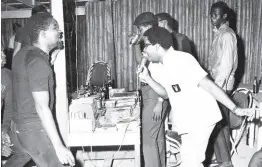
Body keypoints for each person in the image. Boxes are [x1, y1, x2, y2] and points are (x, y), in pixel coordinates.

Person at [138, 26, 255, 167]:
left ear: (157, 46)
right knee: (189, 160)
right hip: (190, 120)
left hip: (201, 118)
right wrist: (148, 79)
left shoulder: (183, 60)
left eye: (146, 45)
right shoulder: (164, 65)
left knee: (192, 163)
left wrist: (235, 109)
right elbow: (166, 94)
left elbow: (210, 86)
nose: (143, 50)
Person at [3, 13, 75, 167]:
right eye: (55, 28)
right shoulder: (38, 62)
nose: (59, 32)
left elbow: (28, 81)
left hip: (18, 126)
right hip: (33, 127)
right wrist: (59, 146)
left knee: (20, 158)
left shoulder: (22, 54)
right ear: (43, 34)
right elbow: (42, 107)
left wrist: (51, 58)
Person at [130, 12, 169, 167]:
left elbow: (168, 73)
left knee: (148, 140)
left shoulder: (160, 44)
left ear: (149, 26)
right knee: (157, 137)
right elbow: (141, 62)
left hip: (157, 95)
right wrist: (134, 45)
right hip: (151, 93)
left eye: (140, 28)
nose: (139, 32)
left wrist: (160, 101)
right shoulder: (150, 43)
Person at [208, 2, 238, 166]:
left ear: (225, 16)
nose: (213, 17)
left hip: (221, 84)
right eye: (211, 14)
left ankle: (225, 161)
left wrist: (216, 89)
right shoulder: (220, 33)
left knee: (217, 122)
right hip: (219, 84)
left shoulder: (226, 35)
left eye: (216, 15)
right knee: (222, 123)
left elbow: (225, 66)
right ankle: (222, 158)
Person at [1, 46, 13, 158]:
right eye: (0, 52)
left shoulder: (7, 75)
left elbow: (9, 109)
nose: (4, 55)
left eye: (2, 51)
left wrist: (4, 131)